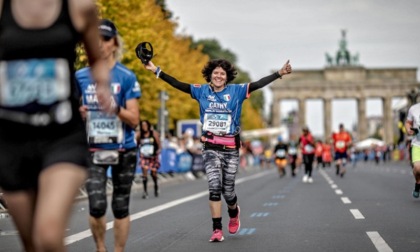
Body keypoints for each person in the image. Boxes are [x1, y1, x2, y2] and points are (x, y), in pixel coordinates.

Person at [0, 0, 114, 251]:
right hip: (12, 139)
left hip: (61, 135)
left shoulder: (78, 7)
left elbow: (97, 60)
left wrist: (103, 85)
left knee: (49, 236)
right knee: (31, 244)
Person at [143, 58, 292, 242]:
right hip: (210, 147)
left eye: (222, 73)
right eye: (216, 73)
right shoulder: (201, 91)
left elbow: (258, 84)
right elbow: (177, 84)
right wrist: (156, 71)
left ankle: (234, 211)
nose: (219, 76)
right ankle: (216, 229)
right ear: (210, 75)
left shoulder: (237, 91)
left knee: (228, 191)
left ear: (227, 76)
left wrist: (279, 74)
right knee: (214, 187)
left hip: (230, 148)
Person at [76, 19, 141, 252]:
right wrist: (79, 112)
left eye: (104, 40)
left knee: (120, 206)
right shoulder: (81, 77)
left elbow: (134, 119)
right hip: (94, 148)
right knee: (96, 205)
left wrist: (114, 108)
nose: (99, 45)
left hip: (124, 147)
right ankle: (101, 248)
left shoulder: (126, 76)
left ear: (114, 43)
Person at [136, 120, 161, 199]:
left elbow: (159, 145)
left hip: (153, 156)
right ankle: (145, 191)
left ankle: (156, 186)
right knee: (144, 174)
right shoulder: (140, 135)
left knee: (153, 174)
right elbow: (137, 144)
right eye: (142, 126)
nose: (144, 127)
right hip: (144, 157)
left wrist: (157, 151)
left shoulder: (153, 134)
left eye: (145, 125)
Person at [404, 103, 420, 198]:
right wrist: (409, 129)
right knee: (418, 169)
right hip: (417, 144)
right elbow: (408, 122)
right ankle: (418, 182)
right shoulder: (413, 109)